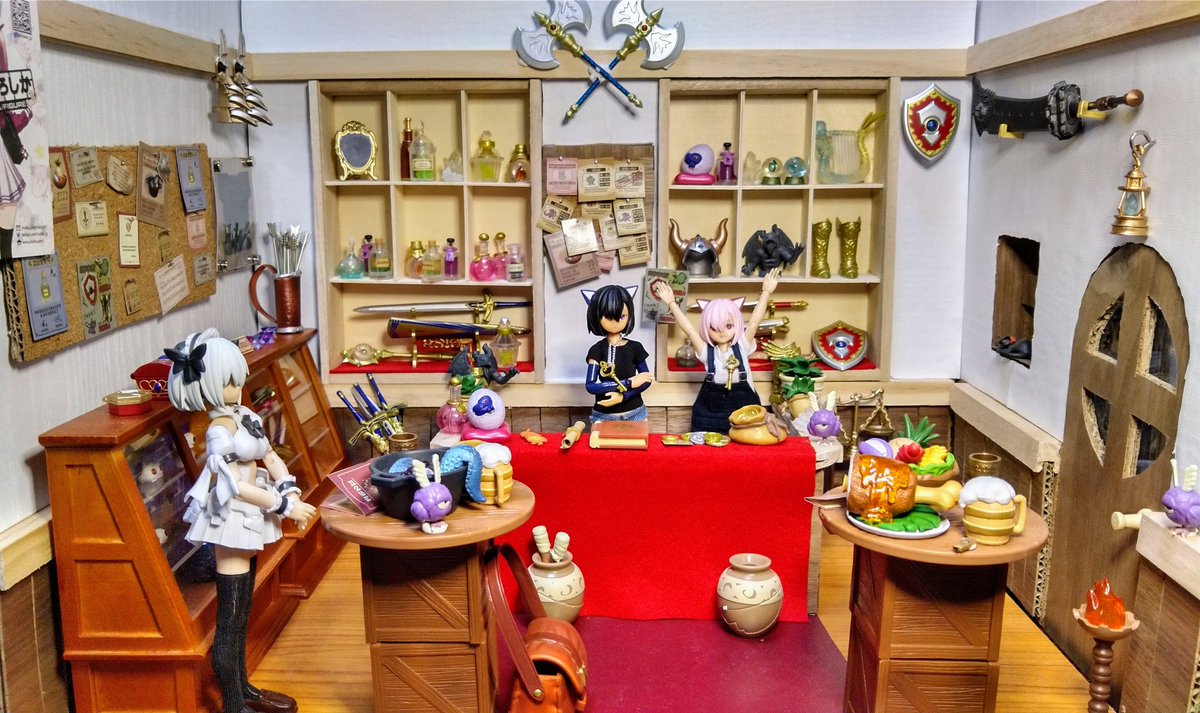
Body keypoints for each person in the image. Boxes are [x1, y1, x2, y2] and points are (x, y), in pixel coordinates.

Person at [165, 329, 314, 713]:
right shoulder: (218, 430)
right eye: (227, 380)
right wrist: (284, 505)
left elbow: (271, 456)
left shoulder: (244, 414)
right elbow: (233, 486)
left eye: (237, 378)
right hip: (232, 519)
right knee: (230, 619)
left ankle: (244, 689)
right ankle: (234, 704)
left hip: (253, 513)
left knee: (243, 608)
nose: (236, 386)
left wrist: (290, 489)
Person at [651, 268, 781, 433]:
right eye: (714, 327)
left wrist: (766, 292)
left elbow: (754, 322)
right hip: (710, 420)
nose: (722, 332)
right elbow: (689, 330)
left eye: (728, 326)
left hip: (746, 419)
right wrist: (671, 303)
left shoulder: (742, 345)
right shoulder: (707, 352)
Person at [583, 284, 653, 422]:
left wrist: (623, 397)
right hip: (604, 415)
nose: (615, 323)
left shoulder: (635, 347)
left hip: (636, 413)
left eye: (621, 317)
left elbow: (646, 380)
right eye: (608, 317)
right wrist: (628, 383)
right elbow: (590, 386)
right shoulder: (597, 349)